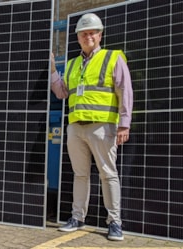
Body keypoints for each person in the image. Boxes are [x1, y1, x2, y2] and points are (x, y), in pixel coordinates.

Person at [50, 13, 133, 241]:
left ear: (100, 35)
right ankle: (77, 217)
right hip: (76, 128)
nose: (88, 36)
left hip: (103, 127)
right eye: (84, 33)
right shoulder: (72, 64)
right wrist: (52, 71)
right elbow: (62, 93)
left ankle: (115, 222)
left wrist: (124, 124)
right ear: (77, 37)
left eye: (92, 32)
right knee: (80, 174)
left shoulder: (112, 58)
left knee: (108, 174)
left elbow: (125, 91)